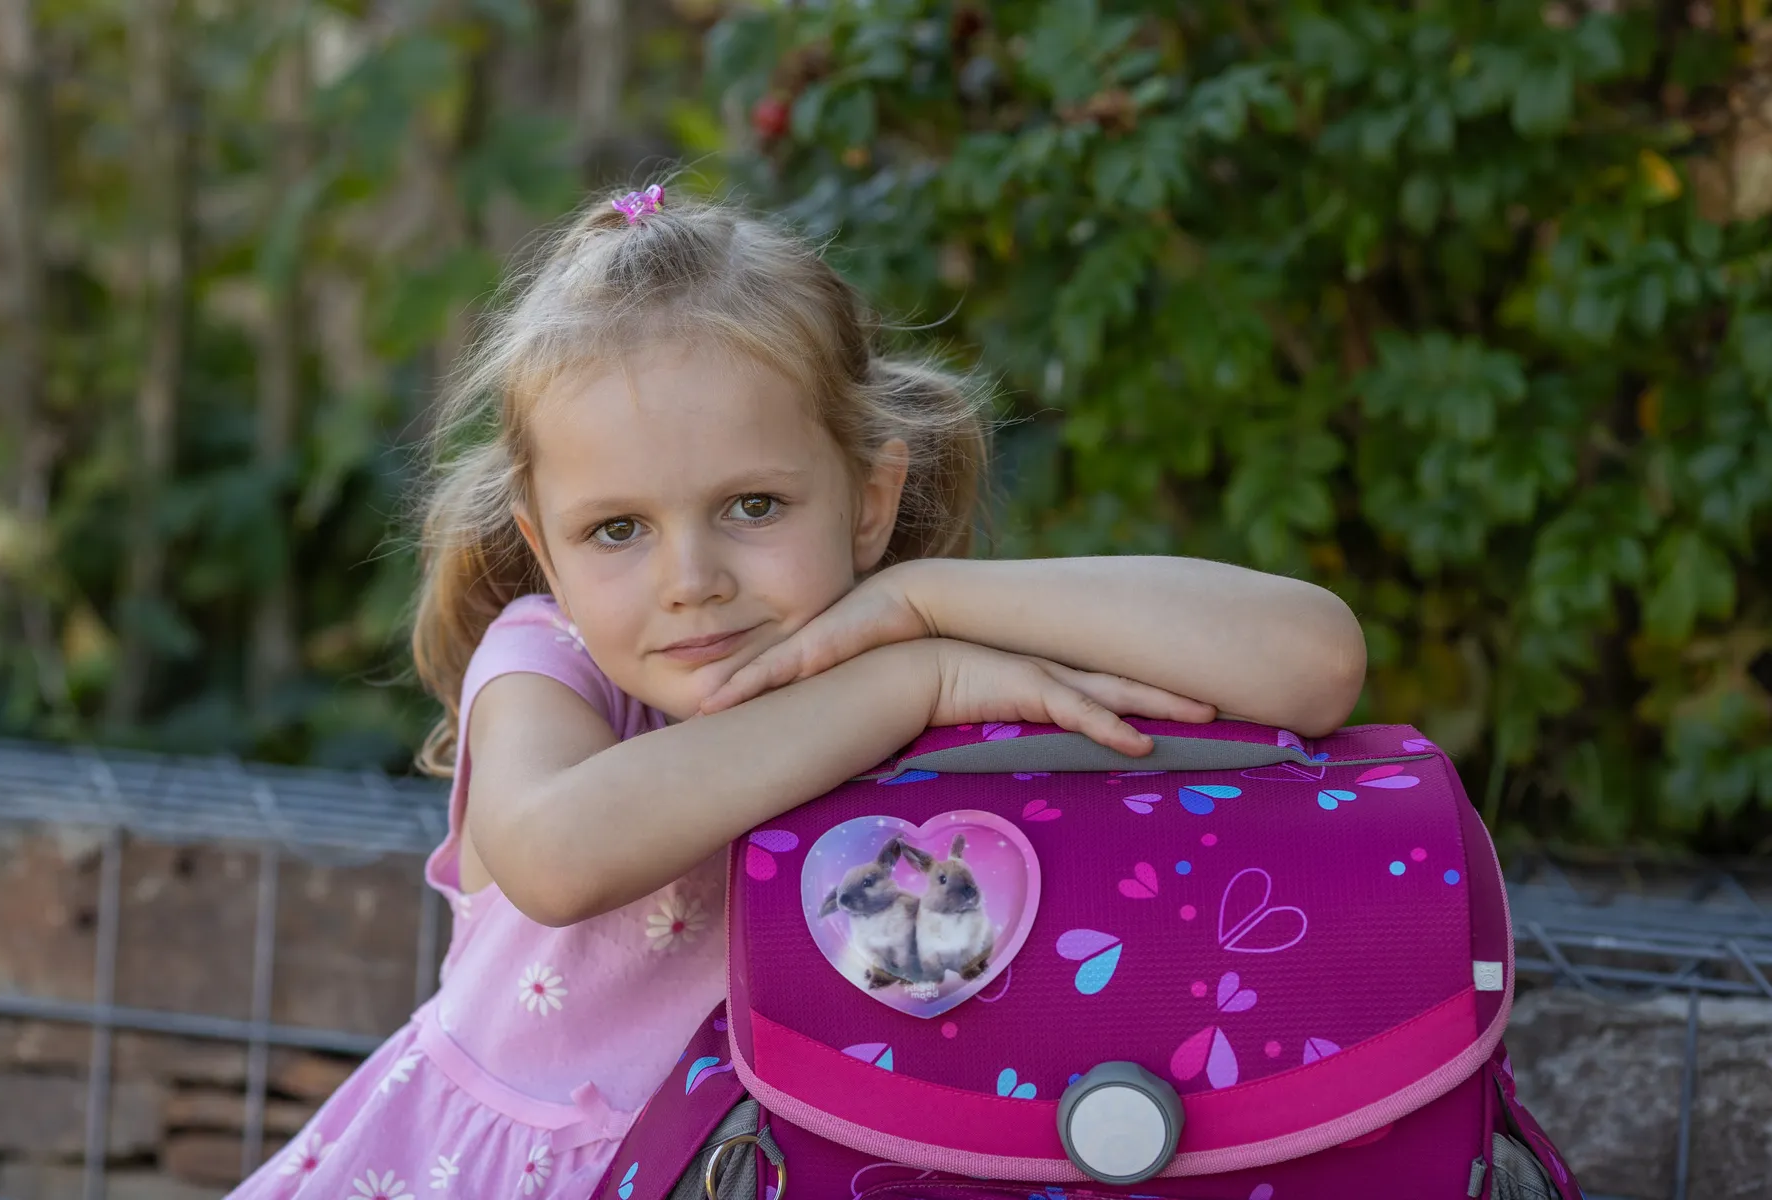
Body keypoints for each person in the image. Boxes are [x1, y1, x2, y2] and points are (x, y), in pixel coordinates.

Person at [226, 183, 1366, 1200]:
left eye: (753, 506)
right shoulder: (548, 661)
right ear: (545, 549)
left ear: (868, 501)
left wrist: (925, 601)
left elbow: (1313, 664)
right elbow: (557, 858)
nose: (691, 580)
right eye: (616, 529)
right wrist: (908, 685)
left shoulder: (904, 632)